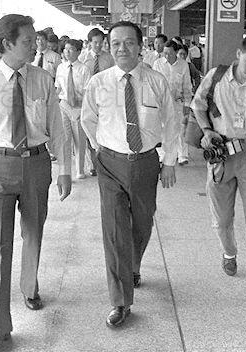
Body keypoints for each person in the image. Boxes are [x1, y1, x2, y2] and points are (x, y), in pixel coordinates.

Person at [0, 15, 72, 352]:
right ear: (7, 43)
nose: (35, 45)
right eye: (28, 40)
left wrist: (66, 168)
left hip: (37, 164)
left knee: (33, 232)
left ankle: (29, 287)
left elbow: (57, 126)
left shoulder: (42, 79)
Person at [80, 21, 179, 328]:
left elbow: (171, 123)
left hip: (146, 161)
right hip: (110, 163)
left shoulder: (156, 81)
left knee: (142, 222)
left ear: (141, 46)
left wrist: (171, 161)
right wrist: (101, 150)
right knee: (114, 230)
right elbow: (87, 120)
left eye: (129, 43)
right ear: (109, 47)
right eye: (115, 44)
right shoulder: (98, 82)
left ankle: (133, 264)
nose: (122, 49)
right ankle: (120, 300)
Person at [190, 33, 246, 302]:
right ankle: (229, 252)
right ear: (239, 55)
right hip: (220, 155)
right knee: (221, 219)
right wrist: (206, 131)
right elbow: (198, 105)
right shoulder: (216, 77)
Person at [56, 39, 91, 179]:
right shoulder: (61, 68)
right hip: (64, 105)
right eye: (65, 49)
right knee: (65, 140)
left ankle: (80, 169)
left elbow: (88, 92)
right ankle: (66, 171)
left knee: (79, 140)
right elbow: (58, 87)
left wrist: (83, 108)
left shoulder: (84, 69)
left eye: (70, 49)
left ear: (78, 51)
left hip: (79, 106)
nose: (67, 52)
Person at [153, 40, 193, 165]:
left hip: (178, 102)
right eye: (165, 53)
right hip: (162, 103)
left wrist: (187, 104)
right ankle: (164, 154)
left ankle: (182, 155)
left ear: (176, 52)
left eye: (170, 53)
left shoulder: (183, 65)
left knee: (181, 128)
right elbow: (153, 84)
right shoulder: (158, 64)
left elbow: (187, 85)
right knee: (164, 129)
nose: (167, 56)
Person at [82, 28, 115, 176]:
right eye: (95, 42)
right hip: (87, 99)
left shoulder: (109, 58)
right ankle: (92, 165)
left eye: (101, 43)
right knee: (88, 130)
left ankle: (103, 162)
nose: (98, 45)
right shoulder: (83, 58)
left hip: (105, 100)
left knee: (103, 129)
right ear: (89, 43)